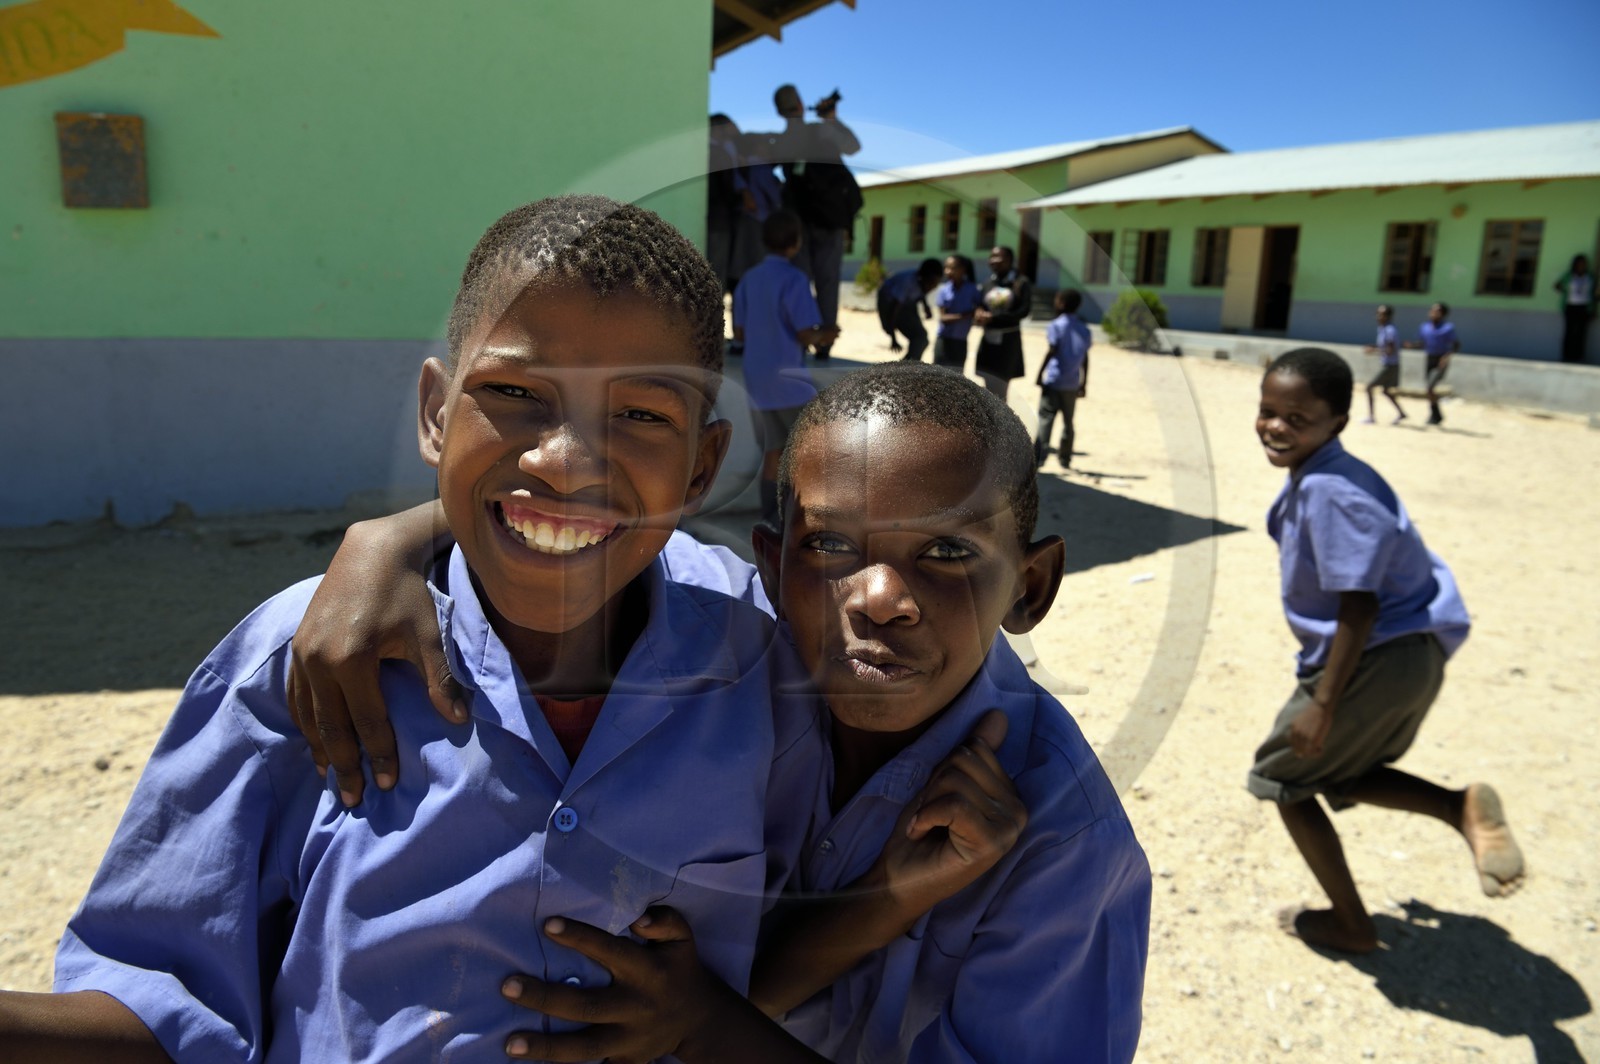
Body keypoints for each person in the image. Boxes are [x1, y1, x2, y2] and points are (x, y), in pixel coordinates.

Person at [0, 196, 811, 1062]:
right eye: (513, 394)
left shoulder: (758, 655)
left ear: (702, 464)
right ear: (434, 414)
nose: (565, 461)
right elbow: (164, 1010)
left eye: (642, 415)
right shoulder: (304, 658)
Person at [290, 362, 1152, 1062]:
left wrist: (707, 1027)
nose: (882, 597)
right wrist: (393, 542)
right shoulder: (732, 637)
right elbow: (586, 524)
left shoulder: (1061, 842)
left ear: (1030, 587)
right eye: (831, 546)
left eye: (949, 552)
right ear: (776, 567)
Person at [1249, 347, 1524, 955]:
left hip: (1378, 654)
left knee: (1281, 778)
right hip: (1405, 655)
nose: (1275, 426)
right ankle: (1461, 808)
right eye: (1268, 410)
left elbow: (1360, 605)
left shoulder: (1329, 490)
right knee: (1340, 772)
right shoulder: (1328, 477)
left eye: (1298, 419)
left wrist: (1322, 702)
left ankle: (1352, 922)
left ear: (1337, 424)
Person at [733, 209, 839, 528]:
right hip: (789, 381)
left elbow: (739, 333)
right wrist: (826, 335)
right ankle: (805, 519)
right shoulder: (794, 279)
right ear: (796, 243)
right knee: (807, 451)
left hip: (757, 378)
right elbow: (805, 332)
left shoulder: (749, 279)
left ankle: (771, 517)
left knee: (772, 453)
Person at [769, 84, 862, 360]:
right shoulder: (806, 134)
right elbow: (853, 147)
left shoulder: (799, 136)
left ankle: (818, 339)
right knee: (818, 280)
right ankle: (818, 340)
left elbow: (852, 147)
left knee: (809, 280)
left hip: (818, 221)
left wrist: (830, 120)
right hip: (810, 222)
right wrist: (830, 119)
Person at [1035, 288, 1091, 469]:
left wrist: (1039, 374)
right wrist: (1084, 383)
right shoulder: (1084, 329)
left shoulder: (1056, 326)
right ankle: (1065, 458)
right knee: (1068, 421)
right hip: (1072, 383)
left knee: (1046, 418)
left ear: (1061, 303)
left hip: (1054, 379)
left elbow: (1052, 350)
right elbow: (1085, 357)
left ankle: (1040, 457)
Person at [973, 245, 1033, 400]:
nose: (993, 260)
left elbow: (1023, 311)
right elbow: (980, 304)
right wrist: (979, 312)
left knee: (1000, 389)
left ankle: (1001, 422)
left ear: (1010, 260)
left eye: (998, 256)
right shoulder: (988, 284)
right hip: (988, 342)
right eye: (991, 256)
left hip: (1008, 343)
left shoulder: (1020, 283)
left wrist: (994, 318)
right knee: (988, 389)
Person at [875, 257, 942, 361]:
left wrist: (926, 307)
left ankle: (909, 366)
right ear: (924, 278)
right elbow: (893, 311)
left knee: (922, 339)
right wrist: (893, 339)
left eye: (936, 284)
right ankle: (905, 369)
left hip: (906, 305)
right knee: (919, 339)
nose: (933, 287)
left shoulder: (922, 282)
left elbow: (921, 293)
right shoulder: (906, 284)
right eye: (931, 283)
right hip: (889, 305)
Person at [1402, 301, 1457, 425]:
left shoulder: (1447, 328)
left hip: (1440, 359)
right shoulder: (1425, 327)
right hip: (1429, 358)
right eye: (1431, 310)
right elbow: (1422, 343)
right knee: (1428, 388)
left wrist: (1446, 357)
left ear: (1442, 314)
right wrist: (1411, 345)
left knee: (1430, 387)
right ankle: (1436, 415)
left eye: (1436, 311)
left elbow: (1455, 345)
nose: (1432, 313)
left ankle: (1435, 414)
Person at [933, 254, 981, 371]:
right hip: (944, 340)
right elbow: (943, 318)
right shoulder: (944, 290)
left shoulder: (972, 289)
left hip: (961, 341)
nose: (948, 271)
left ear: (963, 270)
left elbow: (980, 307)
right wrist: (967, 315)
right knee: (937, 377)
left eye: (952, 268)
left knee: (957, 379)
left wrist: (978, 313)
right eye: (946, 268)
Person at [1361, 303, 1405, 424]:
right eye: (1378, 314)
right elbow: (1384, 346)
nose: (1379, 317)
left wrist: (1373, 351)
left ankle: (1371, 417)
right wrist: (1374, 346)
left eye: (1382, 314)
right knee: (1386, 391)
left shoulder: (1390, 330)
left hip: (1390, 366)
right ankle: (1401, 413)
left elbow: (1390, 350)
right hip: (1389, 364)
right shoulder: (1382, 329)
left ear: (1389, 316)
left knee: (1369, 388)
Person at [1554, 254, 1595, 363]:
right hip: (1571, 306)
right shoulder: (1569, 276)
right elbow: (1557, 285)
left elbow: (1594, 292)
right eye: (1579, 263)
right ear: (1575, 264)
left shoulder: (1590, 277)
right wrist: (1563, 291)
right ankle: (1566, 356)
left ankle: (1578, 357)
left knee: (1581, 333)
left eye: (1583, 263)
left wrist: (1593, 310)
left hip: (1584, 307)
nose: (1581, 265)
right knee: (1569, 332)